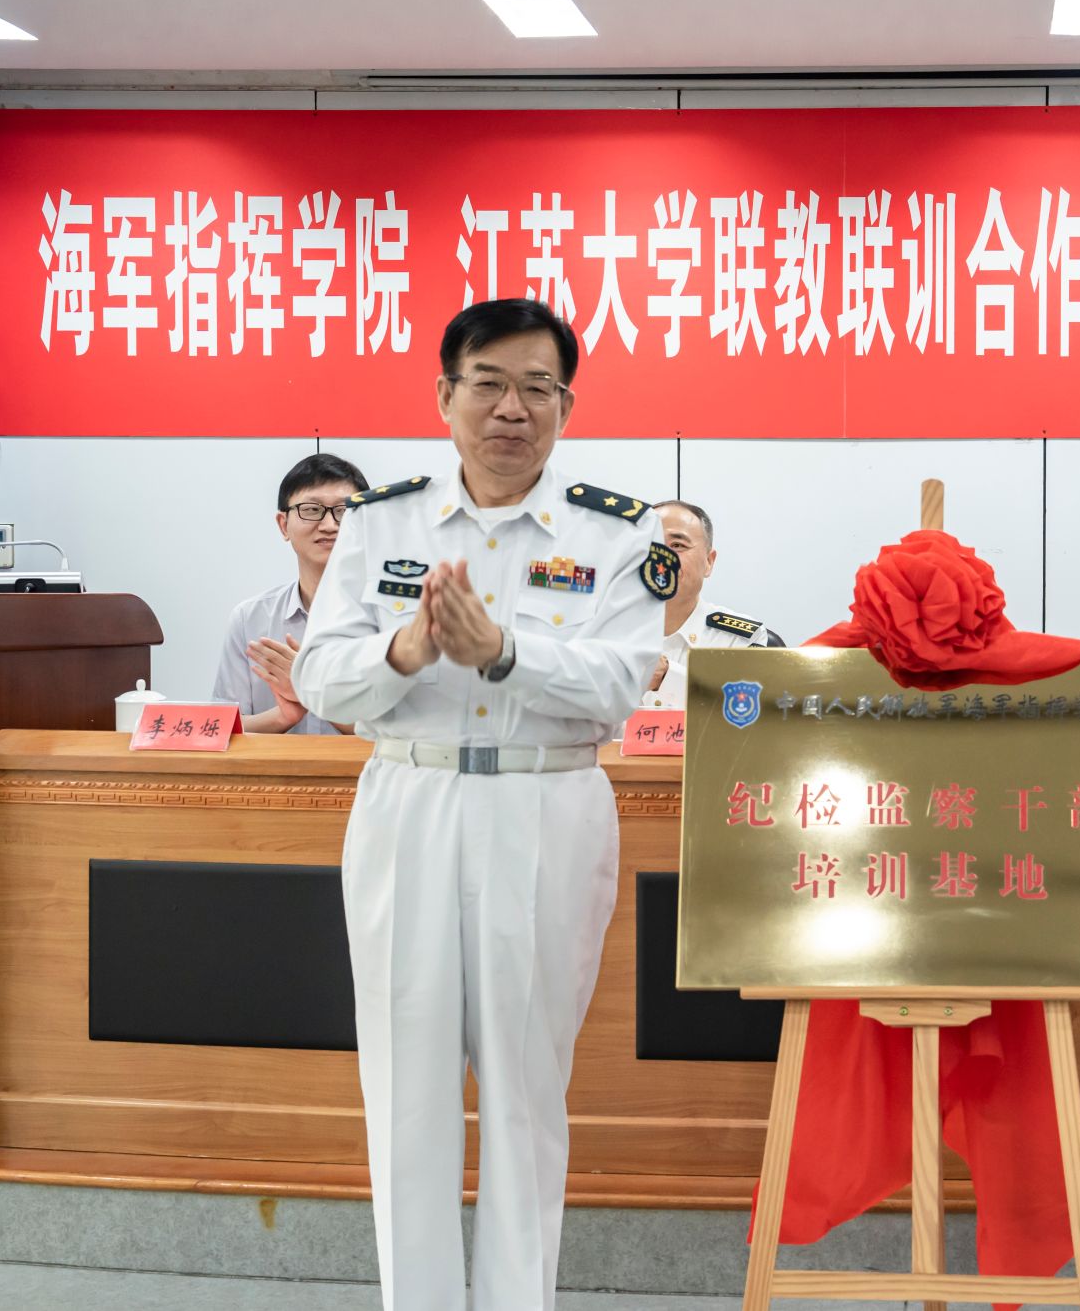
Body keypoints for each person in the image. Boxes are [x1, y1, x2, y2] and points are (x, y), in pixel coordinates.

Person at [291, 299, 669, 1311]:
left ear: (566, 406)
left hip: (546, 808)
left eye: (537, 388)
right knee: (404, 1088)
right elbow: (321, 677)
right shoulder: (381, 521)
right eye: (489, 384)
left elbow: (620, 683)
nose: (512, 409)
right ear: (445, 395)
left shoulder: (618, 534)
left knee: (523, 1090)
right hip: (408, 802)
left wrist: (503, 652)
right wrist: (405, 649)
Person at [212, 453, 368, 736]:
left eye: (345, 510)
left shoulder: (391, 617)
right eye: (312, 509)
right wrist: (282, 716)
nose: (329, 525)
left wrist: (313, 694)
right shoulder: (250, 619)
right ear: (283, 525)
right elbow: (223, 730)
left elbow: (406, 735)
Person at [636, 498, 783, 712]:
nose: (662, 558)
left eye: (677, 545)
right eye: (651, 545)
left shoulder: (740, 640)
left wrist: (667, 677)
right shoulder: (601, 631)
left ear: (709, 561)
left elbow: (747, 717)